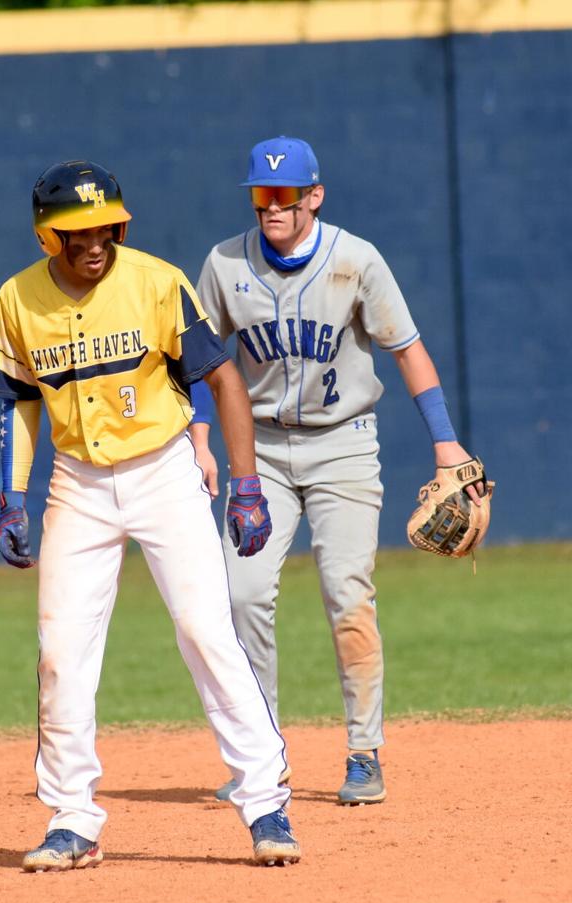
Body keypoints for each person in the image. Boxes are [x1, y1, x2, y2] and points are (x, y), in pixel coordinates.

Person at [0, 159, 301, 870]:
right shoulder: (16, 300)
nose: (95, 242)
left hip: (163, 472)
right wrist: (13, 495)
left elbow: (222, 379)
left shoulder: (156, 281)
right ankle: (72, 819)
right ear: (46, 237)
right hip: (78, 483)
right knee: (61, 653)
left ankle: (264, 802)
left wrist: (245, 485)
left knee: (204, 630)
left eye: (107, 227)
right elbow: (20, 402)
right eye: (77, 232)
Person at [193, 137, 486, 806]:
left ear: (313, 197)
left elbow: (409, 352)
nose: (270, 207)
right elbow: (201, 362)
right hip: (258, 450)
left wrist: (446, 445)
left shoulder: (355, 261)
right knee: (239, 596)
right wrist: (201, 441)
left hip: (344, 447)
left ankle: (363, 751)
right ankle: (262, 758)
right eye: (260, 195)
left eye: (283, 196)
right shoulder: (223, 264)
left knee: (347, 595)